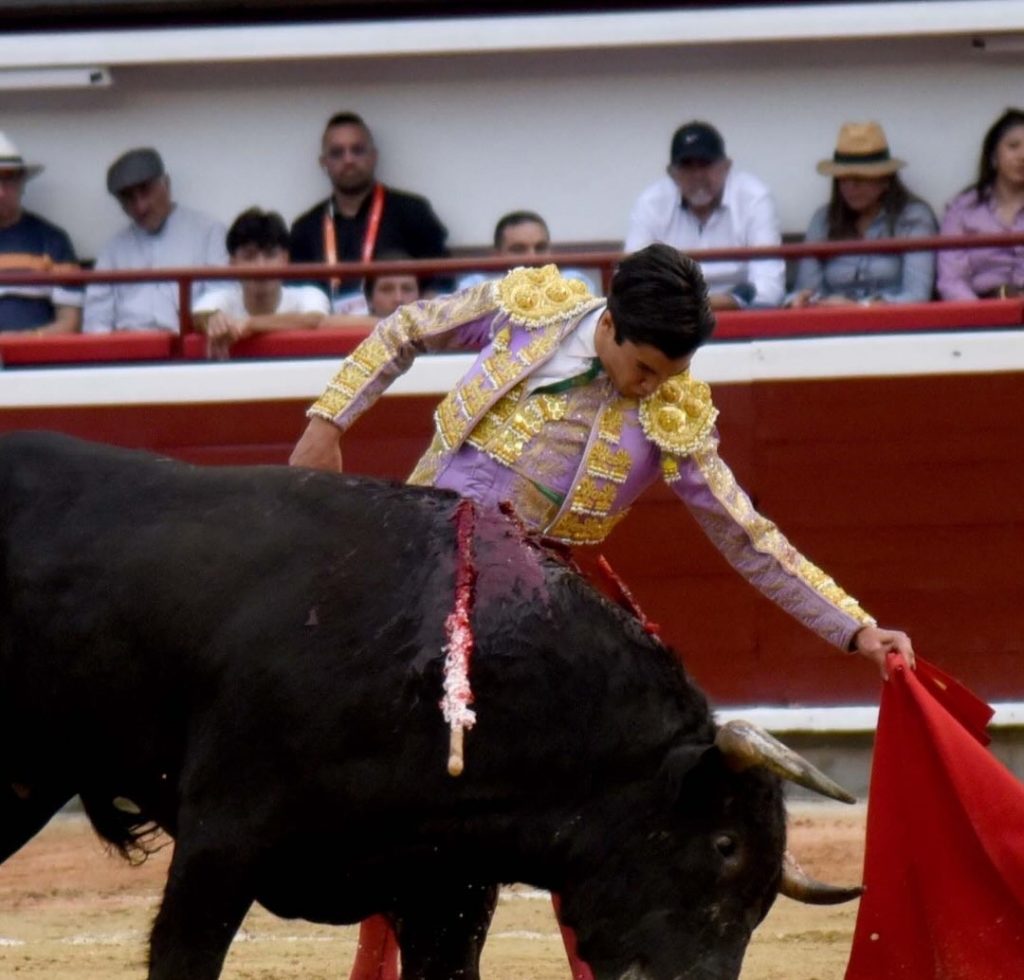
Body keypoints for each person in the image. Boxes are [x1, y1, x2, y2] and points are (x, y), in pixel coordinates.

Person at [290, 244, 913, 980]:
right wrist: (328, 420)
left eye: (669, 376)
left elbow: (748, 537)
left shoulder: (673, 414)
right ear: (610, 323)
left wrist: (854, 626)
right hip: (418, 567)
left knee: (590, 798)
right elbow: (406, 329)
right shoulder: (532, 309)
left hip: (536, 613)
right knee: (401, 779)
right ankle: (373, 966)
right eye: (644, 369)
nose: (652, 388)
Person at [289, 111, 452, 313]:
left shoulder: (413, 212)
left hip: (397, 327)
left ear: (374, 156)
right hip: (327, 328)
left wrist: (420, 317)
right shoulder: (305, 228)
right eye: (337, 153)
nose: (348, 159)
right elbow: (296, 294)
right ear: (324, 163)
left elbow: (443, 279)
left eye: (357, 150)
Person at [625, 121, 785, 309]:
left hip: (740, 314)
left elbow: (769, 288)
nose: (697, 176)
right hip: (672, 319)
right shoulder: (651, 203)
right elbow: (631, 282)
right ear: (671, 173)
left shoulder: (754, 198)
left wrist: (707, 304)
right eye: (687, 166)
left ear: (726, 167)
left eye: (705, 164)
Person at [789, 121, 938, 307]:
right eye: (843, 178)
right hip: (830, 318)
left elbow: (917, 296)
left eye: (861, 178)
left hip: (894, 321)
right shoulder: (823, 219)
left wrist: (860, 308)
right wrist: (803, 300)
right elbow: (806, 288)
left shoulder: (913, 217)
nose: (851, 187)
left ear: (885, 180)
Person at [83, 148, 227, 333]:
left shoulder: (209, 232)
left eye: (145, 191)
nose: (140, 207)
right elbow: (96, 320)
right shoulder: (112, 251)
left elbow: (222, 296)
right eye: (128, 198)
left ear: (166, 184)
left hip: (191, 341)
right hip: (129, 344)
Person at [193, 208, 330, 357]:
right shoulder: (220, 298)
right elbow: (199, 315)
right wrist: (213, 320)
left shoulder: (309, 294)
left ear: (285, 259)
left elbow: (314, 320)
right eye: (249, 256)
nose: (261, 266)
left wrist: (250, 324)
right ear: (232, 264)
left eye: (270, 255)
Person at [937, 107, 1024, 300]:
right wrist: (981, 313)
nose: (1022, 156)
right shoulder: (963, 209)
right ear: (993, 155)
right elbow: (951, 280)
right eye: (1013, 147)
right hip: (980, 308)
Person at [0, 131, 82, 334]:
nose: (0, 192)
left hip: (36, 353)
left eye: (8, 179)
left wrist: (28, 339)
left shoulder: (52, 241)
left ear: (22, 183)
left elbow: (70, 321)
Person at [456, 210, 599, 292]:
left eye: (540, 248)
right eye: (518, 250)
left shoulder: (574, 282)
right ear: (497, 255)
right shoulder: (476, 288)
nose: (532, 258)